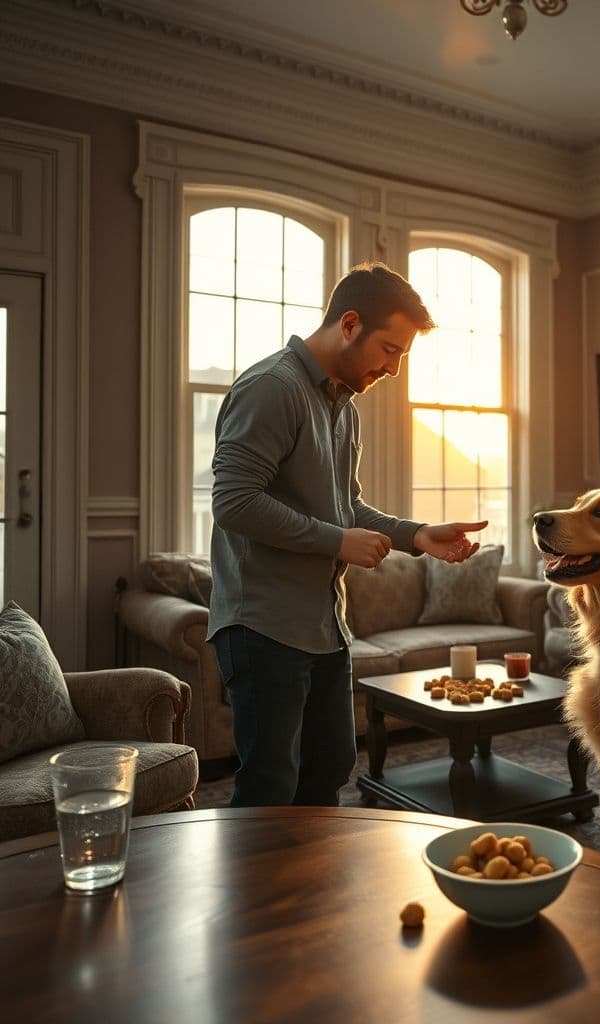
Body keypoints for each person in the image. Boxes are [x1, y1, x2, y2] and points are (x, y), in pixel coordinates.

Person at [206, 261, 486, 807]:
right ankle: (254, 894)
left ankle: (312, 892)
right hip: (262, 626)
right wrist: (337, 542)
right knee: (269, 788)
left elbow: (347, 508)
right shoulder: (272, 387)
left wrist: (419, 534)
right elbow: (234, 502)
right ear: (350, 324)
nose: (395, 369)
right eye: (390, 349)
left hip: (324, 628)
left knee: (331, 767)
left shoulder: (343, 406)